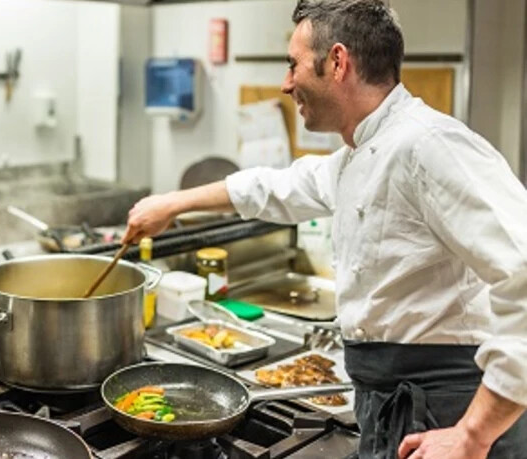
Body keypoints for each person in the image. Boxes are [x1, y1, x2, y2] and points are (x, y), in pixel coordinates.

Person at [122, 1, 527, 457]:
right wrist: (173, 203)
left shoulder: (430, 146)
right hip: (392, 404)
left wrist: (473, 433)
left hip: (450, 415)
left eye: (293, 64)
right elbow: (277, 187)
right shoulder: (360, 153)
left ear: (337, 62)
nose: (285, 83)